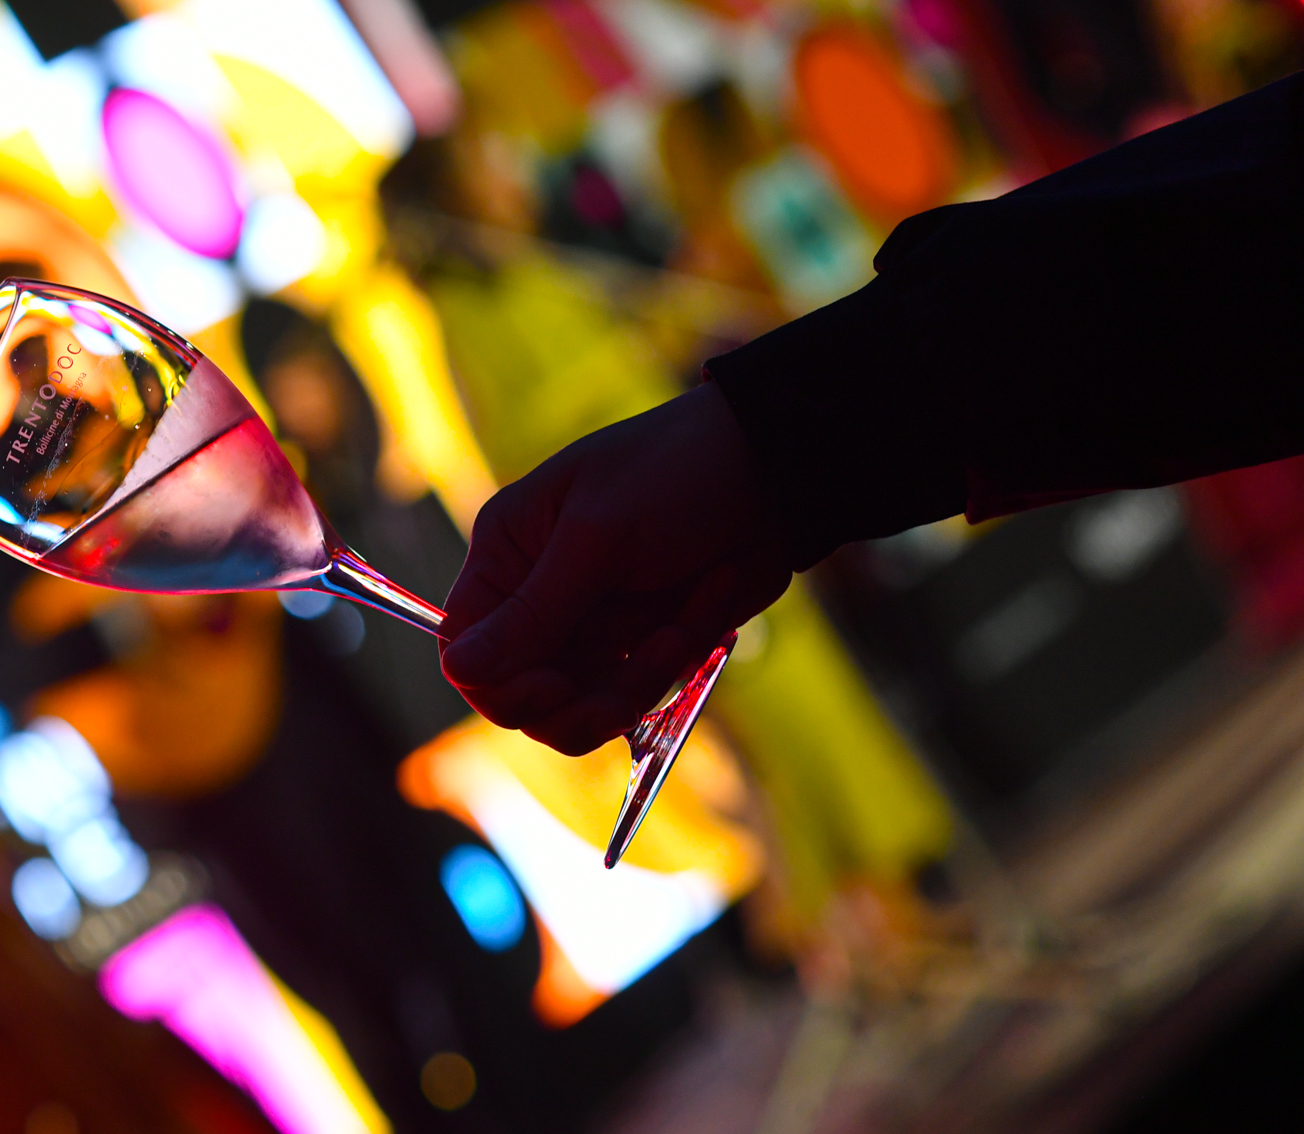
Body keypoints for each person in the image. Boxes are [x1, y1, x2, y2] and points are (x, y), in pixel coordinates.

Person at [441, 72, 1304, 758]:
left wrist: (768, 438)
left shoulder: (548, 271)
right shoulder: (485, 299)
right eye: (490, 159)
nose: (511, 171)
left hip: (733, 502)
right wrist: (766, 439)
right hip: (728, 507)